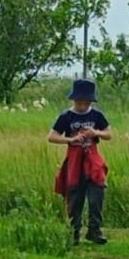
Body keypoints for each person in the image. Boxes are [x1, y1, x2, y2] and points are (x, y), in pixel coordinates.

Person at [48, 78, 112, 245]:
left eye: (85, 102)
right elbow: (52, 136)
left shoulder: (97, 115)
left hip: (92, 158)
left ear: (90, 101)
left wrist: (95, 133)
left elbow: (109, 134)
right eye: (79, 102)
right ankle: (73, 232)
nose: (82, 106)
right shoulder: (66, 116)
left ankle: (94, 230)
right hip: (74, 160)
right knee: (74, 195)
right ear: (73, 100)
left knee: (96, 194)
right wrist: (71, 140)